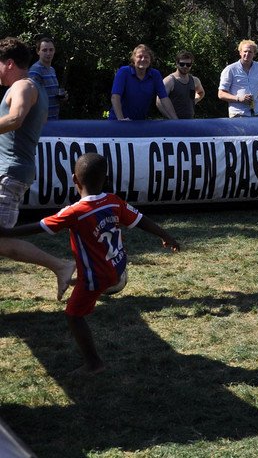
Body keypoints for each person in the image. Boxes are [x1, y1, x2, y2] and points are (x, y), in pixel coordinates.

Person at [0, 153, 180, 374]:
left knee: (73, 315)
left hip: (96, 277)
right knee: (96, 274)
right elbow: (141, 220)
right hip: (117, 265)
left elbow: (40, 227)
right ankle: (91, 280)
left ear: (74, 179)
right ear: (105, 179)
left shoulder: (75, 212)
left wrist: (6, 232)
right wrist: (166, 236)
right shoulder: (113, 201)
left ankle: (94, 364)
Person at [0, 37, 76, 300]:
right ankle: (60, 266)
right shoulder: (37, 89)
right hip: (13, 171)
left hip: (10, 173)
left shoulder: (22, 86)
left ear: (9, 63)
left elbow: (16, 119)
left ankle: (61, 265)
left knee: (1, 240)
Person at [110, 44, 178, 121]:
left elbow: (164, 98)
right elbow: (115, 96)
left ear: (150, 60)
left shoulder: (155, 74)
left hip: (140, 122)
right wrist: (121, 119)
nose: (143, 59)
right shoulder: (124, 72)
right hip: (118, 121)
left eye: (146, 57)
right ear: (133, 59)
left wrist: (175, 120)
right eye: (140, 56)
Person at [217, 40, 258, 117]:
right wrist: (239, 98)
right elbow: (221, 94)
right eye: (245, 51)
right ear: (240, 52)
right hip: (238, 114)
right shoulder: (230, 69)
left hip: (256, 113)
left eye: (250, 52)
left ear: (254, 54)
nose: (247, 54)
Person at [29, 37, 66, 121]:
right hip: (41, 123)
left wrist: (61, 98)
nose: (48, 53)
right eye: (44, 50)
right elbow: (31, 98)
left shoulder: (52, 70)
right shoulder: (35, 71)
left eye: (51, 50)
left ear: (54, 51)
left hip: (53, 120)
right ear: (38, 51)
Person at [163, 50, 205, 119]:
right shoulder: (169, 81)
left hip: (190, 121)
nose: (185, 66)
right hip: (172, 122)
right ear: (177, 63)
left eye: (188, 64)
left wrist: (194, 101)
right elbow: (159, 101)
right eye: (182, 64)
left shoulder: (195, 80)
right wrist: (173, 118)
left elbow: (201, 92)